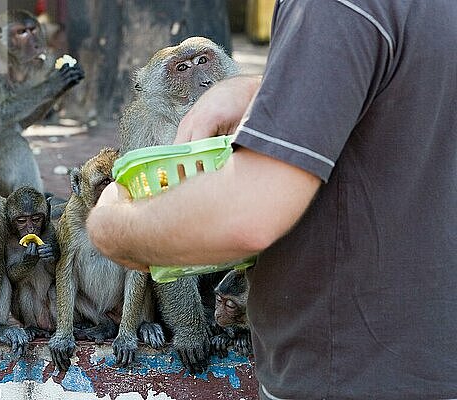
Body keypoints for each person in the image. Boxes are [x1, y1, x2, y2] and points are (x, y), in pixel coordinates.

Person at [86, 0, 457, 398]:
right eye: (181, 69)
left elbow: (247, 219)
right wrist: (265, 88)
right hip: (428, 348)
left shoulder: (329, 8)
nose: (198, 78)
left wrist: (111, 229)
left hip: (345, 370)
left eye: (204, 62)